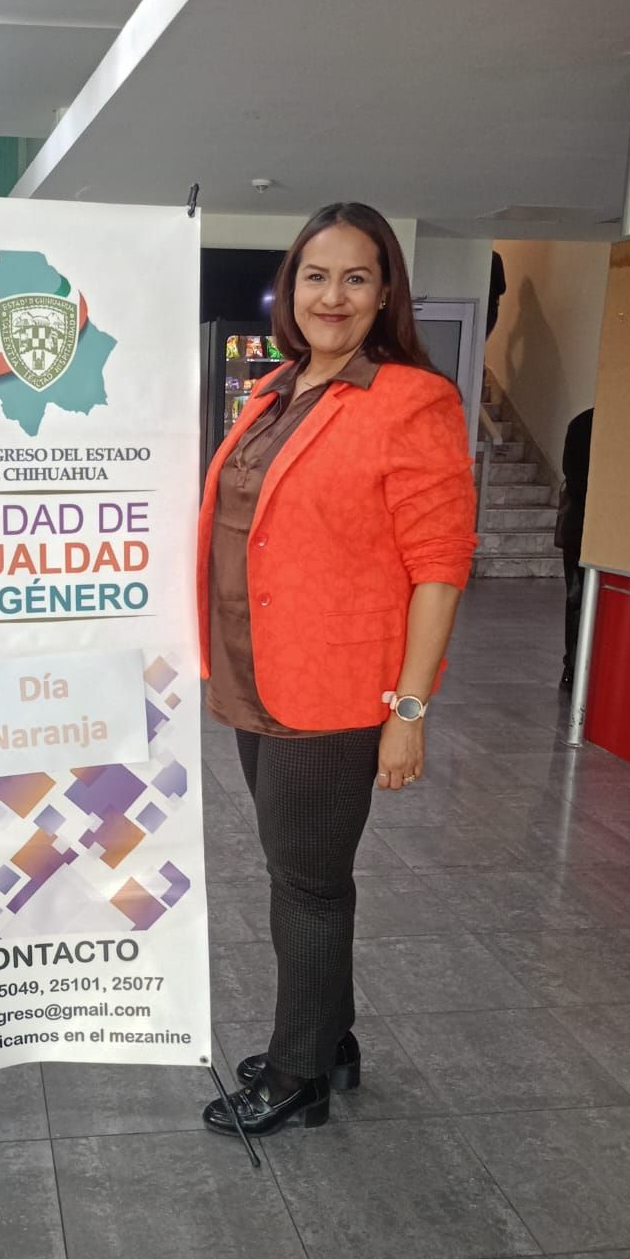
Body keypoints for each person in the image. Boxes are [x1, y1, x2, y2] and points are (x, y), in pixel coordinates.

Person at [197, 202, 477, 1136]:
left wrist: (410, 709)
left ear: (385, 292)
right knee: (304, 871)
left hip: (335, 689)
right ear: (290, 289)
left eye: (356, 278)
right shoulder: (277, 389)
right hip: (254, 675)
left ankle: (299, 1074)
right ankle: (333, 1039)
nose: (333, 296)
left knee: (306, 884)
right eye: (316, 276)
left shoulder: (412, 400)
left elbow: (439, 567)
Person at [559, 407, 594, 690]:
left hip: (579, 527)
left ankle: (573, 669)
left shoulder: (581, 422)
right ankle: (574, 668)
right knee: (578, 599)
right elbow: (575, 479)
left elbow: (571, 476)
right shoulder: (585, 424)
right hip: (583, 528)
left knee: (577, 600)